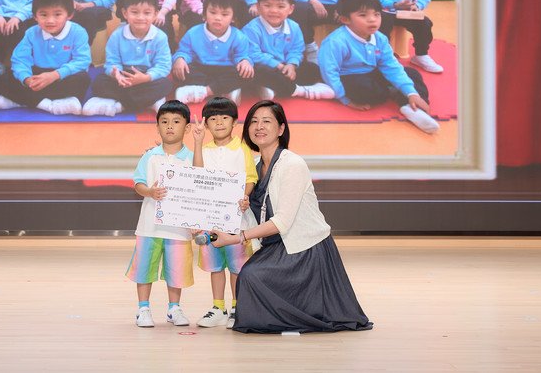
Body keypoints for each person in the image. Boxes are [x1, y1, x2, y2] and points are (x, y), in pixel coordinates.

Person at [210, 100, 373, 334]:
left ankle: (300, 313)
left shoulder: (292, 164)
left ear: (281, 129)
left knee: (251, 276)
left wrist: (237, 238)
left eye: (267, 121)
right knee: (249, 278)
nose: (259, 126)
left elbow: (282, 222)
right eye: (254, 121)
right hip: (276, 245)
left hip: (305, 247)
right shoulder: (254, 167)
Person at [318, 0, 439, 133]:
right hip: (349, 77)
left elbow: (391, 65)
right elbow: (329, 72)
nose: (372, 20)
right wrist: (344, 99)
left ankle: (413, 107)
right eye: (363, 15)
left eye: (377, 14)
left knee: (412, 74)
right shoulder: (335, 41)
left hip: (372, 73)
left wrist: (412, 93)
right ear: (345, 19)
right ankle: (393, 92)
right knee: (364, 90)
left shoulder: (380, 38)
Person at [190, 96, 258, 329]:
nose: (219, 122)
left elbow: (250, 177)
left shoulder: (242, 148)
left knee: (237, 267)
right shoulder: (204, 149)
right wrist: (198, 142)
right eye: (213, 118)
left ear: (235, 122)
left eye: (224, 117)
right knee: (216, 266)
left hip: (236, 220)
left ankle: (237, 308)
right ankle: (218, 307)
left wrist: (245, 197)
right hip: (210, 220)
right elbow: (197, 175)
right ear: (206, 124)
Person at [127, 100, 195, 328]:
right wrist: (150, 192)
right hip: (150, 226)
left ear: (187, 127)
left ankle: (174, 309)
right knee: (145, 268)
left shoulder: (192, 158)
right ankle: (143, 309)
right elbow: (138, 184)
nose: (170, 126)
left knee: (176, 270)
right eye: (164, 122)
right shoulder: (150, 156)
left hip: (179, 228)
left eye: (176, 121)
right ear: (157, 127)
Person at [0, 0, 90, 116]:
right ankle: (47, 105)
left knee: (83, 79)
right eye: (44, 15)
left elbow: (82, 61)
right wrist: (27, 79)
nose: (50, 20)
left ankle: (22, 100)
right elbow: (20, 59)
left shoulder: (78, 32)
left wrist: (54, 75)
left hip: (62, 75)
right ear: (35, 17)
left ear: (69, 15)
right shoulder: (31, 33)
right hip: (37, 75)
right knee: (3, 79)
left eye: (57, 14)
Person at [81, 0, 173, 116]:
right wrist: (116, 75)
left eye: (147, 13)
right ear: (125, 13)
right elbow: (112, 62)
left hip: (147, 79)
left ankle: (121, 105)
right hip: (123, 78)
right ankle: (148, 101)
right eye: (134, 12)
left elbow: (163, 66)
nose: (140, 17)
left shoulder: (160, 37)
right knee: (99, 82)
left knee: (166, 84)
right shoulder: (117, 36)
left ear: (155, 14)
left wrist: (146, 77)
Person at [242, 0, 334, 101]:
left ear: (291, 9)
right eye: (267, 5)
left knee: (313, 69)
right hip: (266, 66)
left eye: (281, 6)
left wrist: (292, 65)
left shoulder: (294, 27)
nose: (274, 10)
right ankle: (299, 91)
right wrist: (278, 66)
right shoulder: (251, 29)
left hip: (285, 66)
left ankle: (273, 88)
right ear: (258, 7)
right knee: (256, 72)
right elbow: (253, 54)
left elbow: (296, 50)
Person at [172, 0, 255, 104]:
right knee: (179, 70)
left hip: (226, 69)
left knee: (247, 73)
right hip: (201, 68)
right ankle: (225, 90)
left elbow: (242, 55)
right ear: (204, 14)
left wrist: (244, 61)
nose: (218, 18)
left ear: (233, 18)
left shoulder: (239, 36)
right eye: (213, 12)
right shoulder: (193, 32)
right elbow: (184, 51)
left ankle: (204, 91)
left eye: (224, 14)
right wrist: (180, 59)